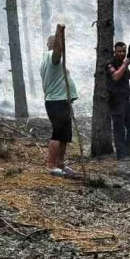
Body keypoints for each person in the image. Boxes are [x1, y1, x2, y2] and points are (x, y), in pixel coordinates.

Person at [41, 26, 78, 175]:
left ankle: (60, 163)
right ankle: (51, 165)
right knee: (58, 133)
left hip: (62, 101)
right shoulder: (52, 57)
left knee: (65, 134)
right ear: (52, 44)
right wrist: (59, 32)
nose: (61, 45)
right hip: (56, 101)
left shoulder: (51, 58)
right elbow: (57, 52)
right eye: (58, 43)